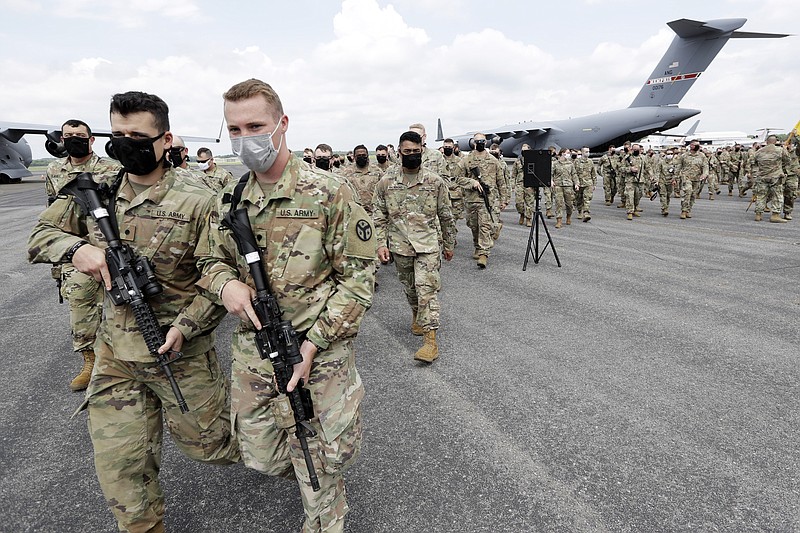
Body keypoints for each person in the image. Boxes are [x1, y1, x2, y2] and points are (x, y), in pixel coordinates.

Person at [28, 91, 239, 532]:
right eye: (118, 135)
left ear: (164, 139)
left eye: (138, 136)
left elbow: (217, 275)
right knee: (119, 463)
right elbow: (41, 235)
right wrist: (77, 248)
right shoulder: (94, 189)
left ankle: (296, 445)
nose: (127, 144)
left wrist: (186, 326)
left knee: (213, 446)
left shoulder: (198, 199)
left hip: (179, 352)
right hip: (115, 353)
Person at [197, 78, 376, 532]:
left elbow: (357, 281)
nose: (245, 138)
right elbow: (208, 259)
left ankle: (324, 515)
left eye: (255, 125)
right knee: (261, 452)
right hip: (255, 353)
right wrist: (225, 287)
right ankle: (310, 474)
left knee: (320, 455)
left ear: (282, 124)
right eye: (234, 129)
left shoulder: (328, 192)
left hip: (319, 350)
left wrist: (314, 344)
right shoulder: (230, 197)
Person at [43, 119, 121, 391]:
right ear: (61, 140)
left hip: (105, 246)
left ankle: (116, 360)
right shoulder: (54, 170)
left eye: (79, 135)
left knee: (117, 306)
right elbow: (53, 211)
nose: (73, 139)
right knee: (80, 306)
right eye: (68, 136)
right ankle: (90, 361)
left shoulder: (111, 168)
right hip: (73, 251)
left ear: (91, 139)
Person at [373, 130, 455, 363]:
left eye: (416, 152)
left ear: (422, 151)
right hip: (400, 246)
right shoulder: (386, 182)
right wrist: (381, 244)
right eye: (407, 152)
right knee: (410, 289)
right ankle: (416, 316)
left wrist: (448, 244)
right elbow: (378, 216)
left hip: (428, 245)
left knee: (426, 289)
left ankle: (430, 342)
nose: (411, 155)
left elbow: (446, 215)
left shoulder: (434, 181)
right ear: (399, 152)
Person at [456, 132, 508, 268]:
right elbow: (457, 178)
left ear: (486, 143)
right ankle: (477, 246)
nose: (480, 143)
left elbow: (501, 181)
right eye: (477, 141)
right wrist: (471, 182)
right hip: (471, 199)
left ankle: (484, 253)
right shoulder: (466, 160)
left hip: (488, 200)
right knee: (474, 225)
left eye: (482, 141)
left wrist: (504, 199)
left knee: (485, 226)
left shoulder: (493, 160)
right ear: (473, 142)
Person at [749, 135, 795, 223]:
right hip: (775, 177)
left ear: (767, 142)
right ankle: (775, 215)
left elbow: (752, 162)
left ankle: (758, 214)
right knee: (777, 196)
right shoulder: (780, 150)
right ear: (775, 142)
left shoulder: (759, 151)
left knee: (761, 196)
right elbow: (788, 161)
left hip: (762, 177)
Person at [340, 144, 383, 214]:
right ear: (354, 157)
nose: (361, 157)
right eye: (359, 156)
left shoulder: (377, 171)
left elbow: (383, 191)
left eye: (363, 155)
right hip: (355, 212)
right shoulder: (346, 173)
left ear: (367, 156)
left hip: (374, 212)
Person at [674, 140, 709, 219]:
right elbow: (678, 167)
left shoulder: (702, 156)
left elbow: (705, 166)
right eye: (695, 145)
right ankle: (684, 210)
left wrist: (705, 174)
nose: (698, 146)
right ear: (691, 146)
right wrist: (675, 178)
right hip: (686, 177)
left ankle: (688, 210)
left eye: (698, 145)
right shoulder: (684, 156)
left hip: (697, 178)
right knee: (688, 192)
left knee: (693, 195)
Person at [551, 148, 578, 228]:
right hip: (558, 185)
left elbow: (574, 174)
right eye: (567, 153)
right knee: (558, 203)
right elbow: (551, 173)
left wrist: (576, 183)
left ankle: (568, 216)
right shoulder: (555, 163)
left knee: (569, 204)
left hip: (568, 186)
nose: (568, 154)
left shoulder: (570, 164)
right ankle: (559, 220)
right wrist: (551, 181)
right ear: (562, 153)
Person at [440, 138, 465, 223]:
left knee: (453, 221)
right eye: (445, 146)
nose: (447, 148)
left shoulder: (459, 161)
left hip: (456, 196)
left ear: (453, 147)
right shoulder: (439, 160)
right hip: (442, 195)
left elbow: (463, 177)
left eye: (449, 147)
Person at [510, 143, 535, 226]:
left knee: (529, 203)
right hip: (520, 184)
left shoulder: (533, 161)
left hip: (530, 184)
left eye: (526, 150)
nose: (524, 152)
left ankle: (528, 219)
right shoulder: (517, 162)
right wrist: (512, 185)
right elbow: (513, 174)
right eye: (523, 150)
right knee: (519, 202)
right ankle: (522, 214)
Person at [574, 146, 597, 222]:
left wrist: (594, 184)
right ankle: (580, 211)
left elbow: (593, 173)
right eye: (586, 151)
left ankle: (586, 213)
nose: (588, 153)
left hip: (588, 183)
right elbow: (574, 173)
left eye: (588, 151)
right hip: (579, 183)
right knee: (578, 199)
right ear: (582, 152)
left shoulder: (590, 161)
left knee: (587, 198)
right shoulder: (577, 161)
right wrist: (575, 183)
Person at [655, 148, 678, 216]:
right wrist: (656, 181)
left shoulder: (675, 162)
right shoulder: (661, 162)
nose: (670, 155)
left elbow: (677, 172)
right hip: (662, 180)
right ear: (665, 154)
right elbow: (657, 171)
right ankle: (664, 208)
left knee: (668, 195)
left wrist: (674, 179)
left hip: (670, 181)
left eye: (671, 154)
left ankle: (666, 207)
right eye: (668, 154)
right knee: (663, 195)